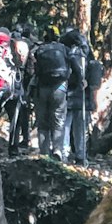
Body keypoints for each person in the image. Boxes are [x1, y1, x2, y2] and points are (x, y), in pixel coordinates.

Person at [32, 25, 72, 158]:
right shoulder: (64, 49)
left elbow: (34, 70)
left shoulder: (39, 50)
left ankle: (43, 152)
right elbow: (74, 68)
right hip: (59, 88)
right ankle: (57, 151)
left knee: (42, 122)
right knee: (58, 120)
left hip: (42, 87)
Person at [60, 27, 90, 163]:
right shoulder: (84, 53)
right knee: (80, 126)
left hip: (66, 92)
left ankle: (64, 153)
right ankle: (80, 154)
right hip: (81, 93)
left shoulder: (63, 51)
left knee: (65, 124)